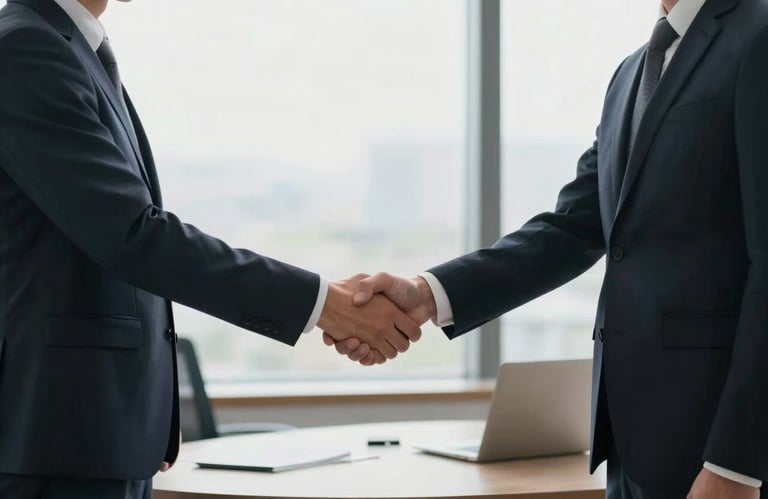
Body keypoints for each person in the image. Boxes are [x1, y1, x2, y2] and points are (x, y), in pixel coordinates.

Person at [337, 0, 768, 497]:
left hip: (720, 450)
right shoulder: (631, 73)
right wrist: (427, 293)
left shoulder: (759, 38)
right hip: (633, 445)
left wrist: (737, 465)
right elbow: (571, 228)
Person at [0, 0, 419, 497]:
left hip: (99, 431)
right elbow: (133, 236)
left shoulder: (71, 46)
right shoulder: (27, 48)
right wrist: (322, 303)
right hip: (61, 432)